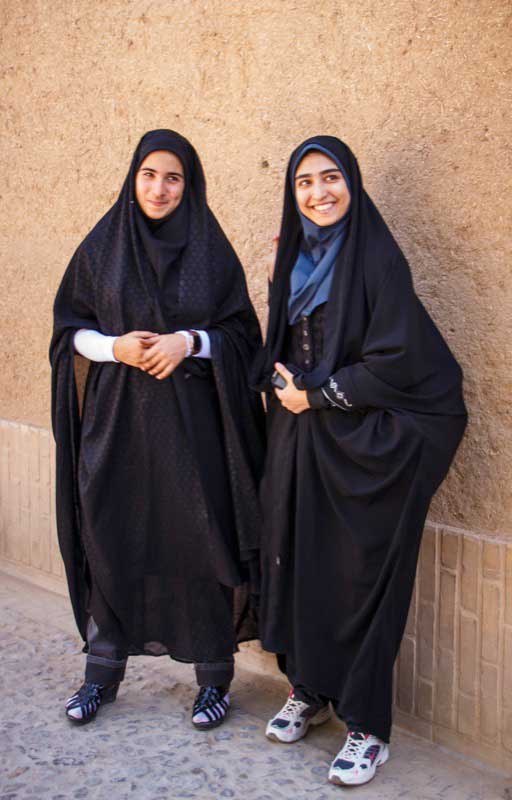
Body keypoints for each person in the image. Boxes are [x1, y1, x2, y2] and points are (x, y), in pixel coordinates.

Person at [252, 135, 467, 786]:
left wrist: (316, 395)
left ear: (353, 181)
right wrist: (283, 384)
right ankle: (309, 690)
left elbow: (398, 357)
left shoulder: (375, 255)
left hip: (364, 444)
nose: (319, 193)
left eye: (331, 177)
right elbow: (281, 346)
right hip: (303, 440)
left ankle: (368, 727)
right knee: (299, 561)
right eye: (304, 183)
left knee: (360, 576)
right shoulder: (291, 260)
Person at [50, 129, 265, 729]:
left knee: (200, 543)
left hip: (193, 432)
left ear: (189, 184)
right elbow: (70, 330)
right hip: (115, 427)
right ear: (133, 177)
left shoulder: (211, 251)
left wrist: (189, 341)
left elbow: (243, 336)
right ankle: (101, 674)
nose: (160, 187)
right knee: (110, 538)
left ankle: (213, 680)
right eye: (150, 174)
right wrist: (116, 346)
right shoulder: (102, 247)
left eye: (173, 177)